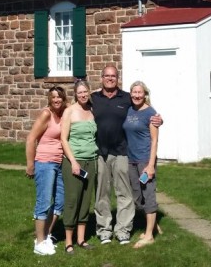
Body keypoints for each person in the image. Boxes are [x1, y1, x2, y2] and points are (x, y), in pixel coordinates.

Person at [90, 64, 162, 245]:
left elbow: (144, 109)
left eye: (113, 76)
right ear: (102, 77)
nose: (110, 78)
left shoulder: (127, 98)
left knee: (125, 194)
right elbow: (77, 108)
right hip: (100, 153)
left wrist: (159, 119)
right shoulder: (93, 98)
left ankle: (123, 230)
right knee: (102, 194)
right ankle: (104, 229)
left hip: (122, 153)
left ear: (117, 78)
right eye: (107, 75)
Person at [25, 86, 66, 256]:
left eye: (59, 97)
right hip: (45, 163)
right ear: (49, 99)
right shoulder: (46, 114)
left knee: (60, 202)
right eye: (53, 97)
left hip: (59, 162)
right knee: (43, 202)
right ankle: (39, 242)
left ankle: (46, 235)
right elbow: (30, 139)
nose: (56, 100)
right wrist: (30, 164)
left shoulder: (64, 113)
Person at [59, 79, 99, 254]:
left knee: (85, 200)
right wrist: (74, 162)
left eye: (86, 91)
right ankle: (69, 242)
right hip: (74, 162)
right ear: (75, 94)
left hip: (91, 161)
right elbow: (63, 139)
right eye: (80, 92)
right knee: (72, 200)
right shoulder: (69, 112)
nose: (83, 95)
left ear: (89, 91)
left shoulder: (92, 110)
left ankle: (81, 239)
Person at [123, 80, 159, 248]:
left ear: (145, 94)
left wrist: (151, 165)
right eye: (134, 92)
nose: (137, 95)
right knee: (137, 198)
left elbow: (154, 140)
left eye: (140, 92)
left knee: (148, 195)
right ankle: (152, 225)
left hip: (145, 160)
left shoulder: (150, 113)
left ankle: (149, 235)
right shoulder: (129, 109)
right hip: (131, 160)